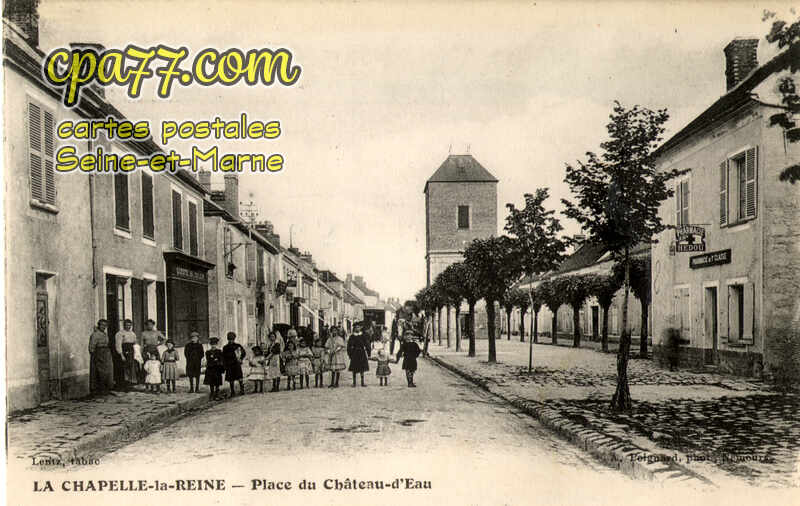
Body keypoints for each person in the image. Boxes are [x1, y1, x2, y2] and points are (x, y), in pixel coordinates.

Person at [88, 319, 114, 395]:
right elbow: (91, 347)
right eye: (102, 325)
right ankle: (99, 389)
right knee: (100, 371)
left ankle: (106, 388)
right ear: (98, 325)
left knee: (108, 370)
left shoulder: (105, 334)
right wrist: (95, 356)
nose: (103, 327)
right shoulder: (95, 334)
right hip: (99, 353)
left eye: (105, 325)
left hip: (106, 353)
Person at [114, 319, 139, 390]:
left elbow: (135, 343)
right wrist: (121, 354)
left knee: (131, 367)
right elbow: (118, 344)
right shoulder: (120, 333)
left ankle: (130, 383)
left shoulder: (132, 333)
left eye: (130, 325)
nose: (128, 327)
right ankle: (124, 384)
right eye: (127, 325)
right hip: (124, 351)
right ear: (124, 325)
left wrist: (136, 353)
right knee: (124, 368)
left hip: (131, 352)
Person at [222, 332, 247, 396]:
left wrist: (241, 358)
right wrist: (224, 365)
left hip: (236, 364)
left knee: (239, 377)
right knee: (231, 379)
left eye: (232, 339)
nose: (231, 341)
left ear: (234, 339)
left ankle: (242, 390)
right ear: (228, 339)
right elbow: (223, 357)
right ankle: (232, 391)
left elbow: (243, 353)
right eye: (230, 339)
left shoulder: (237, 346)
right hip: (229, 365)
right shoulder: (225, 347)